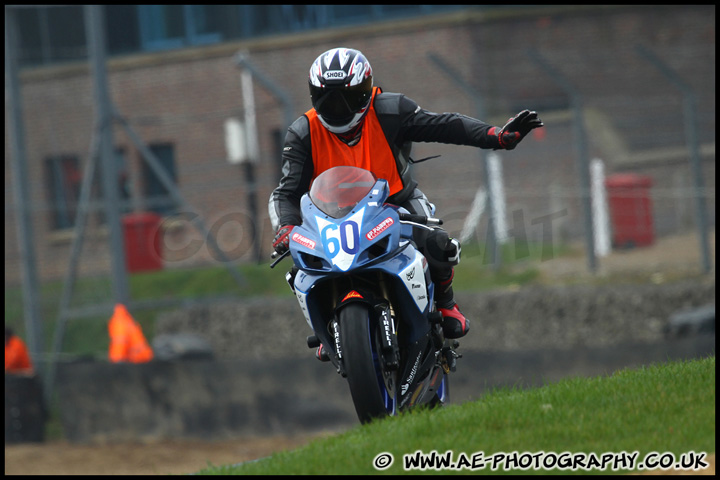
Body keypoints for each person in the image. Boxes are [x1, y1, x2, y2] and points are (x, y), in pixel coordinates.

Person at [268, 47, 543, 352]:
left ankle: (446, 303)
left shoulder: (390, 110)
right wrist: (286, 227)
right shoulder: (303, 131)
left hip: (397, 201)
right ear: (313, 96)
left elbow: (446, 125)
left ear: (367, 91)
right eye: (327, 98)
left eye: (348, 96)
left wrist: (496, 136)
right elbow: (286, 193)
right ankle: (328, 325)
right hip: (331, 216)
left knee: (439, 243)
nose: (338, 107)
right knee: (299, 269)